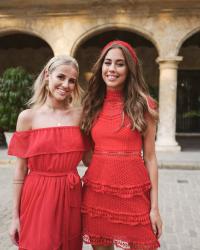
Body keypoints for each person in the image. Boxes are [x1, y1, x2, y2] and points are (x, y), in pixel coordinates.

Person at [81, 40, 162, 250]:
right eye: (108, 63)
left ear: (130, 69)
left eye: (120, 63)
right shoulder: (91, 104)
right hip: (98, 194)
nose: (112, 69)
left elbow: (150, 158)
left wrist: (154, 208)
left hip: (133, 194)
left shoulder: (144, 105)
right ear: (101, 67)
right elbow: (87, 154)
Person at [8, 55, 88, 250]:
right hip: (37, 194)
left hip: (72, 194)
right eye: (60, 77)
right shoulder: (27, 118)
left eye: (72, 80)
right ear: (47, 76)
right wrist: (15, 217)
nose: (66, 84)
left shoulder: (81, 116)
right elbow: (20, 171)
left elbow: (90, 160)